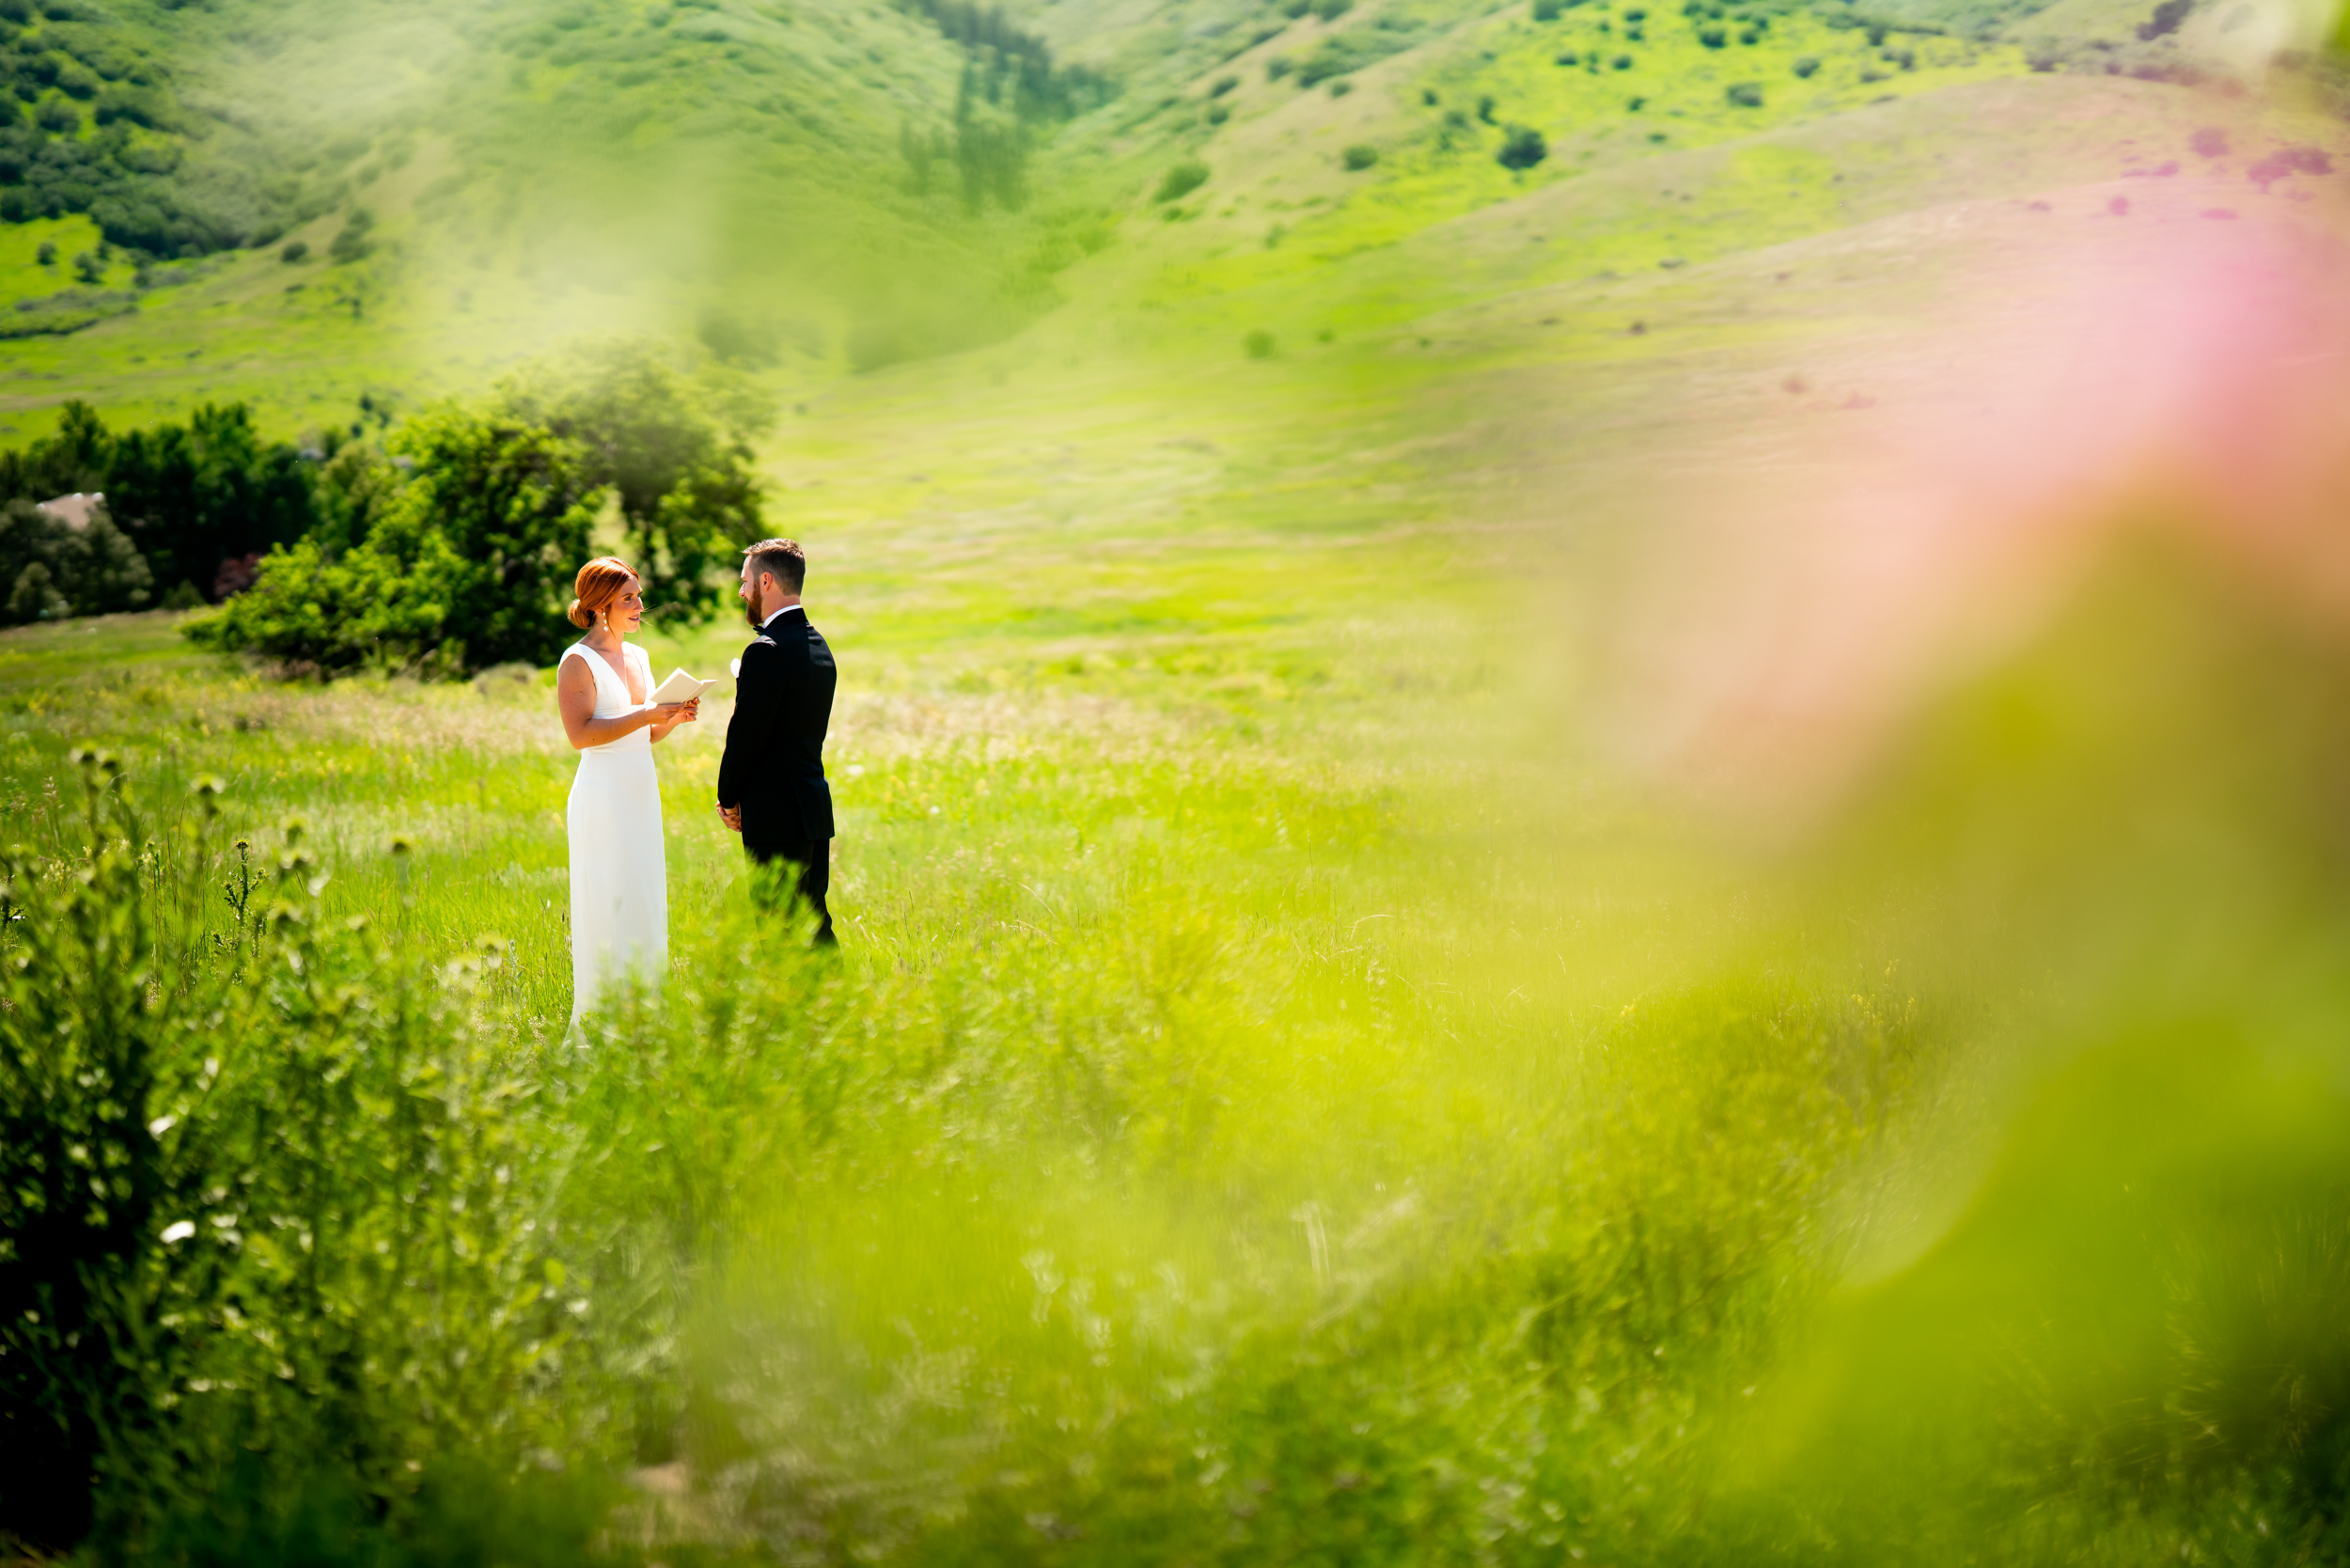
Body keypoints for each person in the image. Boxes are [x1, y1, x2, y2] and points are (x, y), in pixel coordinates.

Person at [556, 557, 698, 1021]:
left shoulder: (639, 656)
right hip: (603, 796)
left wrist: (672, 717)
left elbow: (647, 735)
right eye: (629, 598)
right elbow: (581, 734)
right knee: (609, 905)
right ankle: (601, 1021)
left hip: (641, 792)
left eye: (638, 595)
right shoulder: (577, 661)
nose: (640, 605)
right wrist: (646, 715)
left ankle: (647, 1019)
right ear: (601, 607)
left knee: (644, 900)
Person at [716, 538, 837, 943]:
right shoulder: (819, 647)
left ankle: (796, 1008)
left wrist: (728, 796)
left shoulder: (765, 650)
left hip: (775, 814)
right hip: (812, 811)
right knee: (814, 925)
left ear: (766, 581)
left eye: (745, 581)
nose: (741, 591)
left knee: (778, 933)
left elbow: (747, 736)